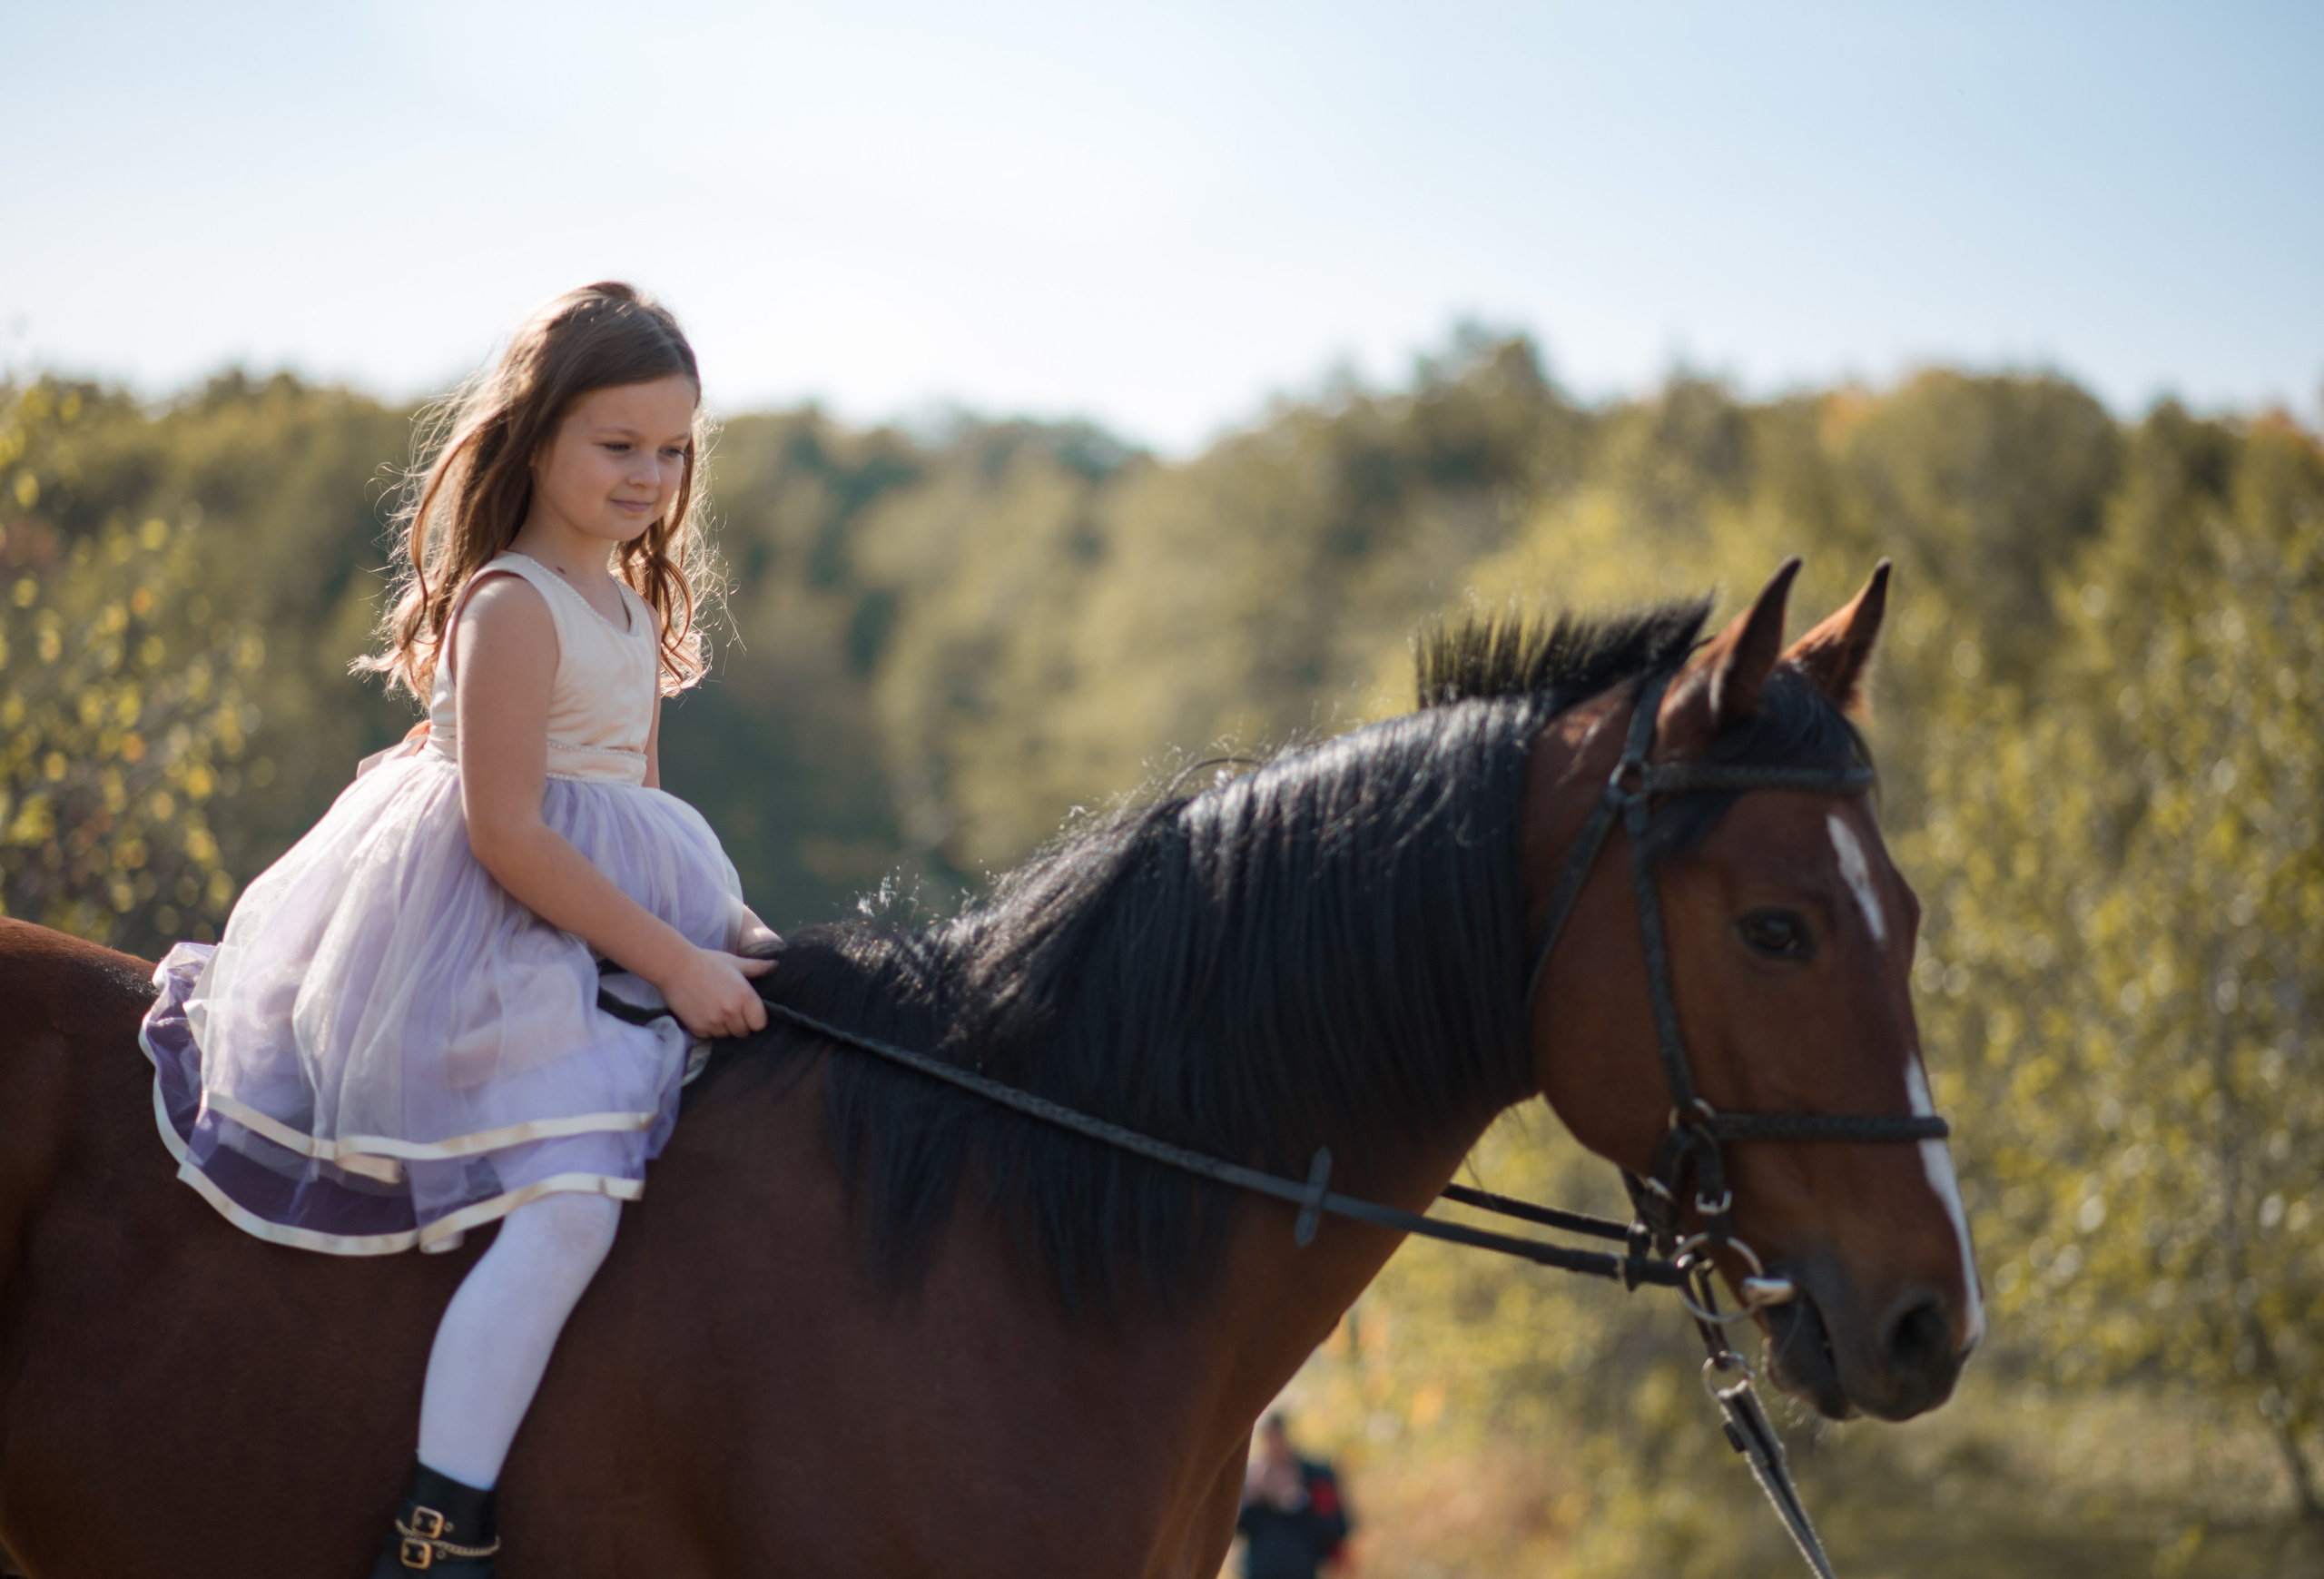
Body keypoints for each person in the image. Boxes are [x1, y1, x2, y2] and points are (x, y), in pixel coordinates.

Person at [137, 282, 780, 1576]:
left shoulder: (631, 605)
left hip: (596, 914)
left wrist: (738, 938)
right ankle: (441, 1524)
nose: (651, 474)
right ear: (537, 435)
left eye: (672, 449)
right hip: (477, 934)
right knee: (570, 1207)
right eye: (619, 444)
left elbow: (634, 813)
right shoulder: (513, 603)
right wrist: (671, 962)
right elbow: (509, 830)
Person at [1236, 1413, 1352, 1579]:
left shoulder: (1315, 1476)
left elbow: (1337, 1527)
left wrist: (1298, 1500)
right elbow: (1234, 1530)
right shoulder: (1250, 1478)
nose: (1275, 1446)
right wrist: (1255, 1497)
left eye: (1278, 1437)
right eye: (1270, 1439)